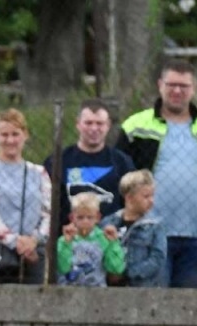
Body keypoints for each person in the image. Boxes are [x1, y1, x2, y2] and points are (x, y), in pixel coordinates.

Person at [116, 60, 197, 288]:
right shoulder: (135, 127)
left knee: (186, 309)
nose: (177, 91)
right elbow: (120, 180)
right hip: (147, 237)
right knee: (152, 306)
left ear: (194, 89)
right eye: (171, 84)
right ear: (160, 85)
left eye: (184, 86)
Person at [0, 108, 51, 285]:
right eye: (4, 134)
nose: (10, 140)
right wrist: (15, 242)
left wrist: (34, 240)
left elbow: (48, 213)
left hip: (34, 254)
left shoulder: (39, 173)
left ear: (25, 135)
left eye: (15, 134)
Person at [45, 98, 135, 228]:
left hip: (110, 239)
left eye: (99, 124)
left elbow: (131, 202)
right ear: (78, 124)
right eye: (88, 123)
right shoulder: (57, 161)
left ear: (108, 125)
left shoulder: (122, 162)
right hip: (69, 240)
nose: (94, 128)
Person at [101, 170, 168, 287]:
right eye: (146, 196)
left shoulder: (155, 226)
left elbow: (157, 259)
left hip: (141, 288)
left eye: (152, 196)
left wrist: (126, 274)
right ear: (129, 198)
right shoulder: (108, 223)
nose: (151, 201)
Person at [56, 192, 125, 287]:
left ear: (98, 217)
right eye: (80, 217)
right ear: (72, 218)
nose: (85, 221)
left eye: (90, 217)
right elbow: (62, 268)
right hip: (68, 291)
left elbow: (115, 268)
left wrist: (113, 243)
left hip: (96, 292)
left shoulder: (103, 238)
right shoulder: (65, 239)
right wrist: (66, 243)